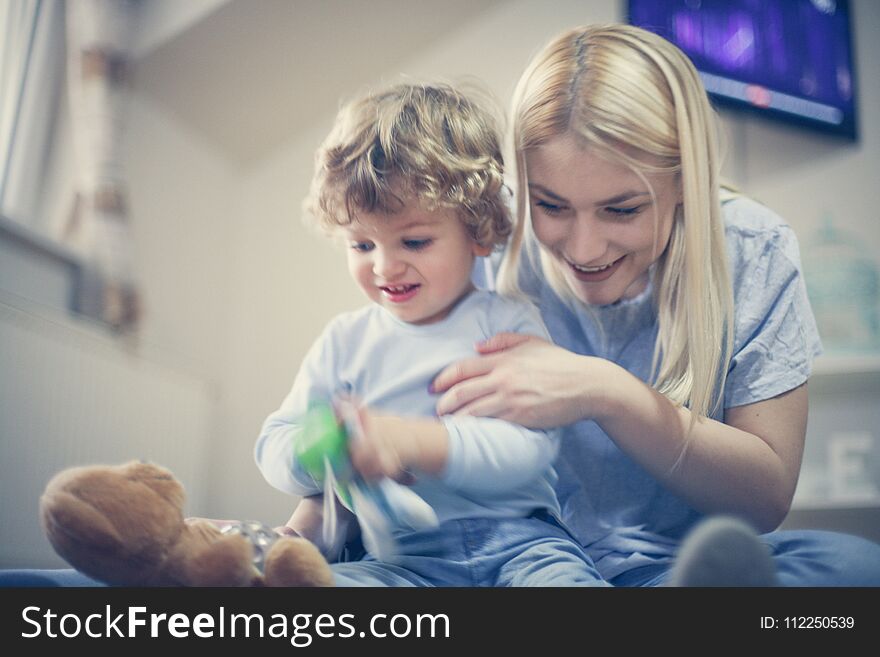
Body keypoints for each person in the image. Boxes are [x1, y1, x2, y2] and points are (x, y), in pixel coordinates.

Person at [428, 24, 880, 586]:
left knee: (857, 570)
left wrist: (607, 392)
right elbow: (384, 391)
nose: (585, 248)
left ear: (684, 181)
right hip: (520, 560)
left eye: (622, 210)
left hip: (676, 564)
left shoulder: (754, 249)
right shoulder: (486, 233)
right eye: (551, 205)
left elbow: (766, 500)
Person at [253, 81, 604, 586]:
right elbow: (273, 444)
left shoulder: (506, 321)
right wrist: (325, 450)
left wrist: (416, 442)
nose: (385, 266)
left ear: (479, 230)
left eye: (414, 241)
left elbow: (529, 451)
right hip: (400, 556)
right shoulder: (345, 340)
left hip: (524, 545)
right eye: (361, 245)